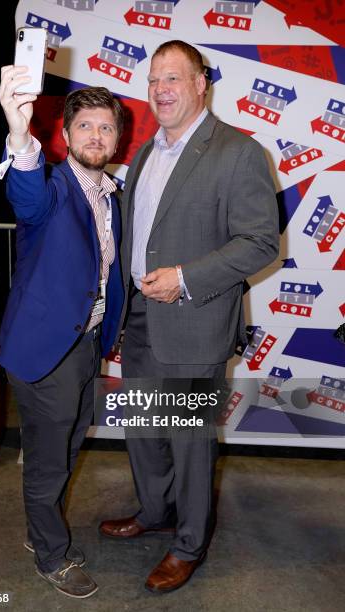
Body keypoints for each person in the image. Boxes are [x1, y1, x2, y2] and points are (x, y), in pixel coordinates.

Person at [99, 40, 279, 593]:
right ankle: (156, 512)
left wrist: (185, 278)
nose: (161, 90)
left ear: (202, 83)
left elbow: (259, 242)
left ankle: (188, 544)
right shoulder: (147, 152)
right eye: (154, 80)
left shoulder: (238, 152)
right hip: (140, 318)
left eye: (173, 79)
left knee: (188, 440)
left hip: (195, 319)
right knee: (144, 429)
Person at [0, 66, 124, 599]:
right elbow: (26, 196)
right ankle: (50, 554)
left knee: (68, 448)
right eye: (85, 126)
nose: (96, 135)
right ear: (65, 136)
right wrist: (20, 133)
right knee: (49, 463)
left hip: (86, 346)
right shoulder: (50, 188)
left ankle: (38, 531)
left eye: (106, 128)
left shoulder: (113, 195)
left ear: (118, 137)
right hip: (46, 350)